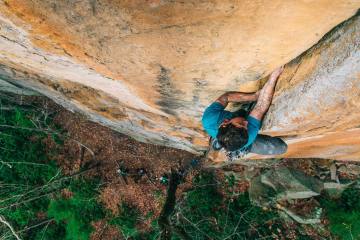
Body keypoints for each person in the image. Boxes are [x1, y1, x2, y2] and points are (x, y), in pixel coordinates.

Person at [201, 66, 287, 160]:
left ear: (225, 122)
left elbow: (225, 97)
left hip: (225, 130)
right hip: (243, 143)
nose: (246, 123)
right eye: (246, 128)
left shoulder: (209, 119)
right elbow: (261, 107)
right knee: (282, 148)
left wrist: (254, 96)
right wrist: (273, 79)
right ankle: (238, 149)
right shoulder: (248, 135)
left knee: (241, 113)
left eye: (241, 124)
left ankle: (219, 143)